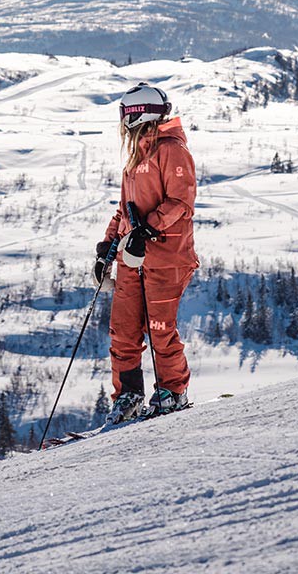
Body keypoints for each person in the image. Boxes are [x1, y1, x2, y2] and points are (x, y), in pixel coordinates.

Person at [94, 82, 198, 423]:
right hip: (132, 258)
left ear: (138, 113)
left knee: (159, 328)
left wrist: (147, 231)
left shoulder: (171, 150)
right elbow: (125, 209)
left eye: (126, 113)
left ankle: (173, 391)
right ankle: (128, 395)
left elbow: (180, 201)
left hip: (166, 258)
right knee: (122, 330)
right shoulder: (137, 155)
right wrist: (108, 246)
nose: (123, 121)